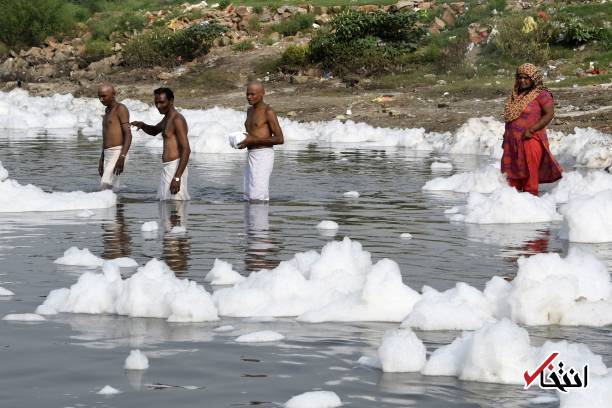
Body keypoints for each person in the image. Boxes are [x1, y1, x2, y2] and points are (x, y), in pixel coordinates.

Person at [501, 63, 562, 195]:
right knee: (512, 179)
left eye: (526, 78)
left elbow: (549, 114)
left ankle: (532, 209)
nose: (522, 80)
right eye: (520, 77)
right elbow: (510, 118)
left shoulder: (542, 94)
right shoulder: (515, 96)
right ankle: (513, 209)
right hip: (512, 143)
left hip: (530, 140)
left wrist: (532, 129)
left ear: (534, 78)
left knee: (530, 177)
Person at [131, 87, 191, 200]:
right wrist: (142, 125)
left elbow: (186, 150)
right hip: (167, 168)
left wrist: (177, 178)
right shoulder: (167, 118)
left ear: (171, 101)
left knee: (175, 206)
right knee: (166, 207)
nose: (158, 106)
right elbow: (154, 131)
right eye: (156, 102)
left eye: (162, 102)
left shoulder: (177, 119)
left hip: (175, 168)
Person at [237, 81, 284, 202]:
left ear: (263, 93)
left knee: (257, 197)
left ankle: (260, 219)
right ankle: (251, 220)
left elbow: (279, 139)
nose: (249, 97)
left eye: (253, 94)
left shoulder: (268, 112)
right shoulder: (249, 111)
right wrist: (243, 142)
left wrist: (253, 140)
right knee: (248, 196)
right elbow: (253, 134)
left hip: (264, 155)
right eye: (247, 94)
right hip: (251, 154)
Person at [98, 84, 132, 190]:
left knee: (104, 186)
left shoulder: (120, 108)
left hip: (118, 152)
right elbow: (106, 138)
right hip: (107, 153)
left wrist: (122, 157)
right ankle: (118, 206)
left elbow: (128, 134)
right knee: (113, 189)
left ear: (113, 95)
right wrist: (102, 159)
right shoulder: (107, 110)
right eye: (99, 96)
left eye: (104, 96)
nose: (101, 99)